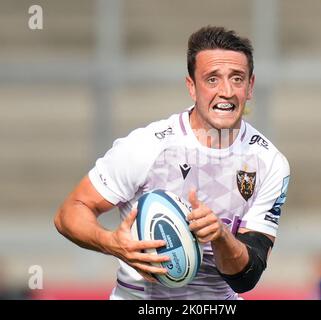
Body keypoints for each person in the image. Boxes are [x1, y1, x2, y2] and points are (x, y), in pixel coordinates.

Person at [54, 26, 290, 300]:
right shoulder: (147, 146)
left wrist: (221, 235)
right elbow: (69, 212)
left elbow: (247, 277)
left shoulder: (269, 162)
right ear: (191, 86)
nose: (226, 91)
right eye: (212, 79)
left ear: (250, 87)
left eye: (237, 79)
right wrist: (111, 243)